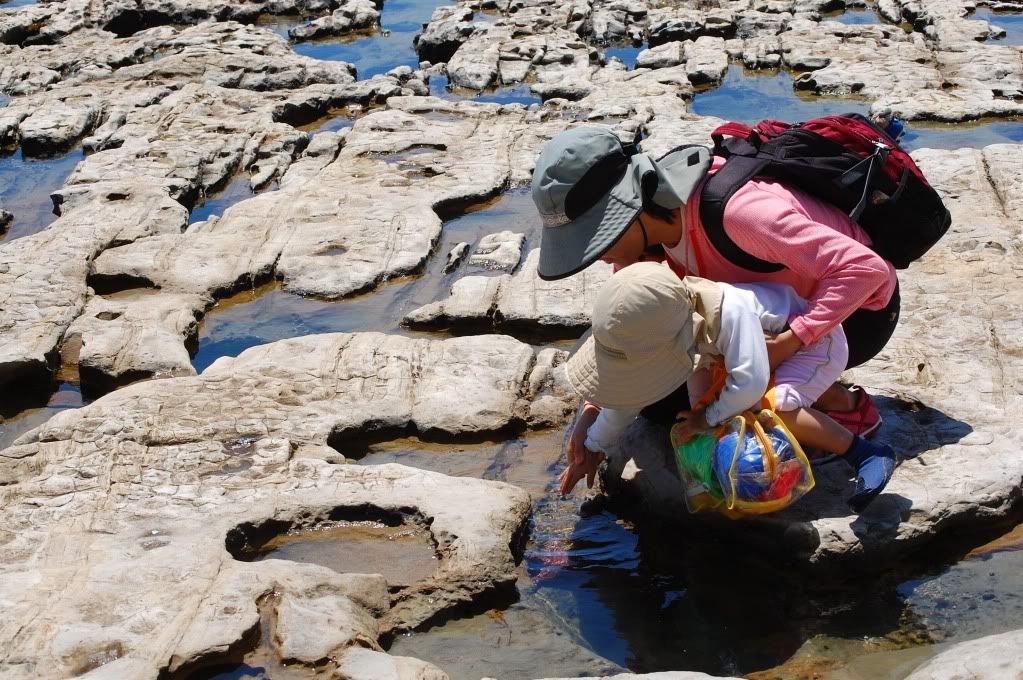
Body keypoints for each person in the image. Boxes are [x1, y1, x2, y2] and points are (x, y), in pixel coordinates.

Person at [531, 125, 899, 452]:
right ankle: (799, 388)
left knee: (698, 393)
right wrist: (595, 409)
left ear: (626, 212)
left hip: (854, 315)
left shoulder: (739, 213)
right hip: (766, 316)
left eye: (594, 240)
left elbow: (868, 270)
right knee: (661, 398)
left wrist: (789, 343)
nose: (595, 256)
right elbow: (630, 331)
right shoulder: (645, 235)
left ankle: (846, 407)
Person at [560, 262, 897, 512]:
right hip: (749, 358)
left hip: (815, 346)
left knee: (770, 408)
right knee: (720, 415)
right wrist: (593, 445)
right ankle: (831, 413)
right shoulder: (674, 322)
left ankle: (864, 453)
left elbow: (748, 385)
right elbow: (632, 399)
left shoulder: (730, 311)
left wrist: (707, 418)